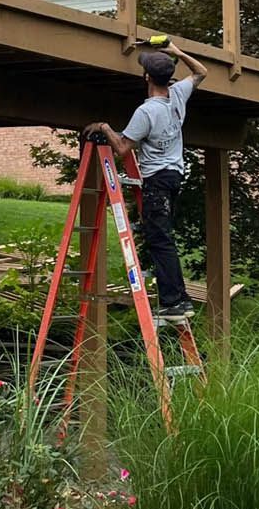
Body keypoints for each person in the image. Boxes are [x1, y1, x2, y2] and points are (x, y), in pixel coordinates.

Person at [86, 44, 208, 318]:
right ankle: (180, 298)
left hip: (157, 180)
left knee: (159, 239)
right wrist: (176, 50)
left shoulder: (146, 112)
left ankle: (173, 301)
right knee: (163, 237)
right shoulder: (178, 95)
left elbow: (122, 148)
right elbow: (201, 71)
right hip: (175, 175)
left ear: (147, 78)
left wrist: (104, 127)